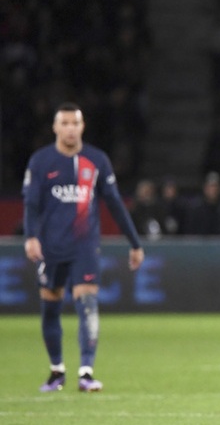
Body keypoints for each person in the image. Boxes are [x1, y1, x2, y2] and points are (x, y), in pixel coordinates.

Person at [22, 103, 145, 392]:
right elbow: (31, 203)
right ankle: (57, 371)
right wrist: (31, 237)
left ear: (82, 126)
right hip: (51, 247)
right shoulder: (41, 161)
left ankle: (86, 373)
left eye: (74, 123)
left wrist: (135, 242)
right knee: (50, 307)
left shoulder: (97, 160)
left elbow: (114, 203)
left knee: (87, 304)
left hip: (85, 247)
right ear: (55, 127)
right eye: (64, 123)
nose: (69, 128)